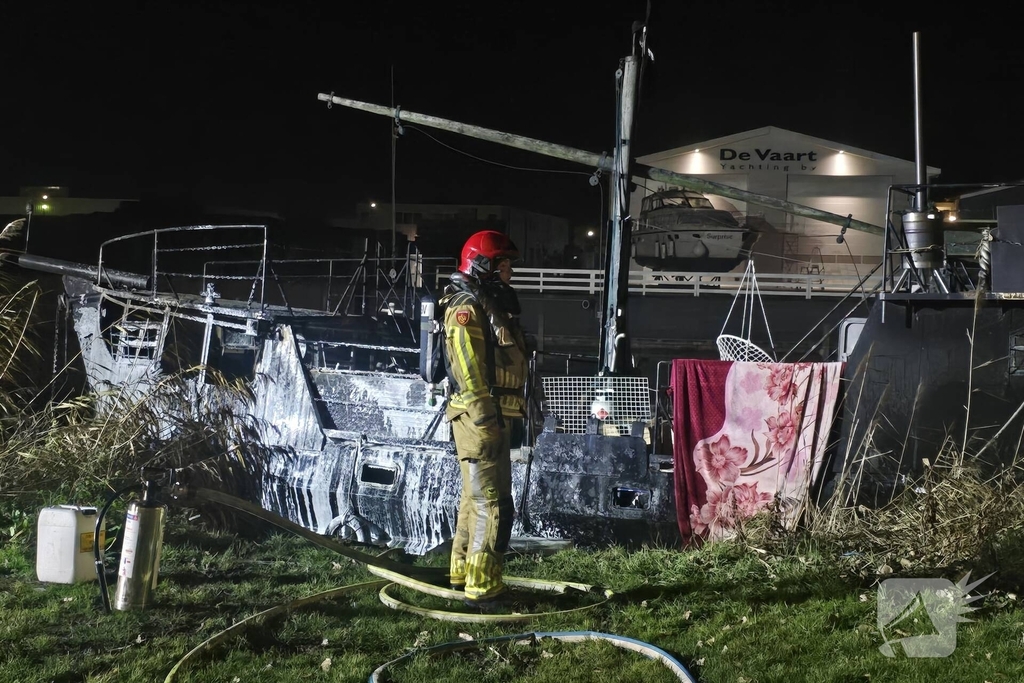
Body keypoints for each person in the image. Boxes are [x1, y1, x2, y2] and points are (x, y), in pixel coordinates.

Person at [440, 230, 528, 607]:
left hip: (492, 414)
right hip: (481, 417)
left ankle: (461, 573)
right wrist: (484, 420)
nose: (509, 271)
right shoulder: (466, 308)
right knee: (493, 504)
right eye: (503, 264)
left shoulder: (485, 304)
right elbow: (468, 368)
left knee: (473, 499)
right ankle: (483, 587)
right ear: (483, 265)